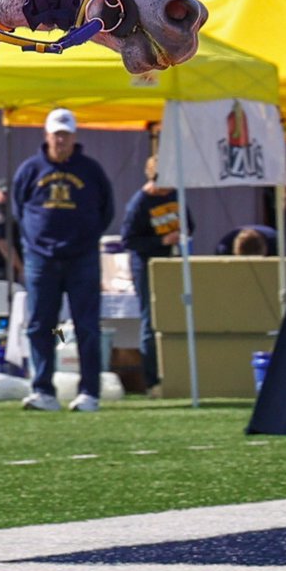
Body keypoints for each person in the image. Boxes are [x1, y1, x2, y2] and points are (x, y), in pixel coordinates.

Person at [12, 108, 114, 413]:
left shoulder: (91, 170)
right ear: (46, 135)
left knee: (86, 326)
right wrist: (37, 242)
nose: (61, 140)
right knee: (40, 324)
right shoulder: (30, 170)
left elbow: (107, 210)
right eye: (56, 134)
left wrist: (85, 239)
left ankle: (89, 393)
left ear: (74, 136)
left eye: (66, 134)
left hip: (81, 258)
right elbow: (19, 210)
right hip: (41, 260)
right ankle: (43, 390)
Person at [120, 155, 193, 397]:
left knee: (176, 316)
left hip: (172, 262)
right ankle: (152, 381)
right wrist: (161, 240)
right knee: (150, 322)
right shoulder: (139, 204)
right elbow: (128, 240)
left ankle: (179, 375)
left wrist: (182, 231)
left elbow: (190, 224)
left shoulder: (175, 195)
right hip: (146, 265)